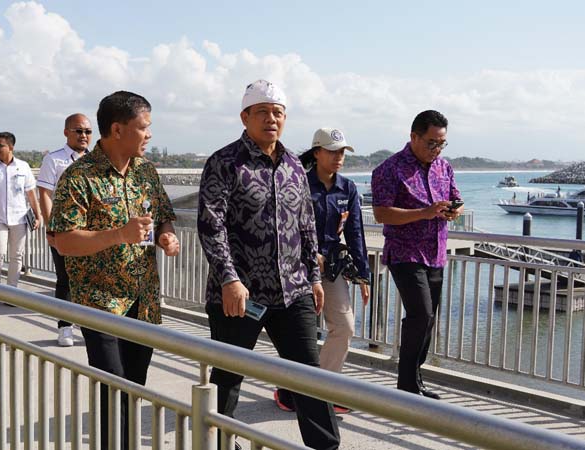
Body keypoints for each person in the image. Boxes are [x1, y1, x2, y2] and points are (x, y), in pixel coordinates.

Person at [197, 80, 339, 450]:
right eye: (261, 112)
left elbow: (306, 225)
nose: (270, 119)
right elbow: (211, 225)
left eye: (277, 112)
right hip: (239, 294)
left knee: (309, 376)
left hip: (293, 291)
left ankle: (326, 446)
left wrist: (315, 277)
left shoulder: (293, 163)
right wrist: (228, 279)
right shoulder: (224, 162)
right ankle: (222, 443)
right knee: (229, 375)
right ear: (244, 117)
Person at [48, 91, 179, 449]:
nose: (149, 135)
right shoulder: (79, 177)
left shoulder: (146, 172)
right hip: (101, 303)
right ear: (118, 129)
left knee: (134, 388)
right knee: (112, 390)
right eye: (144, 127)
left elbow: (164, 216)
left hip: (144, 301)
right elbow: (63, 240)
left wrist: (167, 238)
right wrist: (119, 234)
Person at [274, 128, 371, 415]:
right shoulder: (298, 184)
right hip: (296, 268)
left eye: (342, 152)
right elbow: (284, 226)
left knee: (344, 327)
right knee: (297, 335)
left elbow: (356, 234)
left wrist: (363, 275)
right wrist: (307, 252)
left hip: (331, 269)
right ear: (316, 152)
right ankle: (288, 390)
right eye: (332, 151)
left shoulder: (348, 189)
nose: (338, 157)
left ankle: (322, 390)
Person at [371, 110, 462, 399]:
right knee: (420, 314)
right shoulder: (389, 169)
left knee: (428, 318)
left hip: (436, 252)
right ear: (414, 137)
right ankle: (407, 384)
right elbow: (381, 213)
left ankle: (414, 378)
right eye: (432, 143)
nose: (436, 149)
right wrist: (425, 212)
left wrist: (453, 210)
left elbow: (456, 198)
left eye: (441, 144)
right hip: (405, 252)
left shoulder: (443, 167)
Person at [37, 113, 92, 346]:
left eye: (88, 131)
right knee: (66, 278)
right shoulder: (54, 160)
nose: (83, 136)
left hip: (91, 231)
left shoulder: (97, 160)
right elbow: (44, 194)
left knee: (89, 279)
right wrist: (51, 227)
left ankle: (88, 324)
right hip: (65, 230)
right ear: (66, 132)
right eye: (78, 131)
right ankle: (65, 327)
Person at [0, 131, 41, 298]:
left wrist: (38, 215)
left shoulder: (23, 167)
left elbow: (31, 194)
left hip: (19, 218)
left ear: (11, 147)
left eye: (0, 145)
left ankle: (12, 290)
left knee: (17, 255)